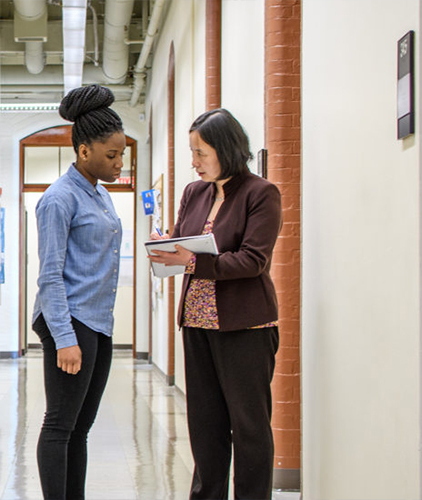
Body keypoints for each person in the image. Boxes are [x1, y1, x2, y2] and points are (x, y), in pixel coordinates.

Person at [147, 108, 282, 500]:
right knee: (205, 425)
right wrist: (166, 244)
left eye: (201, 152)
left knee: (249, 427)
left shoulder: (260, 193)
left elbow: (253, 260)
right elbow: (183, 240)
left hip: (245, 328)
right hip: (197, 324)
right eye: (192, 152)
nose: (194, 162)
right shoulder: (194, 193)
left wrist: (190, 260)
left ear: (225, 148)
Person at [31, 84, 126, 500]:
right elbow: (50, 277)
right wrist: (65, 339)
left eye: (122, 154)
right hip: (70, 321)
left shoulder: (101, 195)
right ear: (84, 151)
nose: (119, 162)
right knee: (60, 425)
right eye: (112, 155)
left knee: (81, 428)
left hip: (98, 321)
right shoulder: (59, 199)